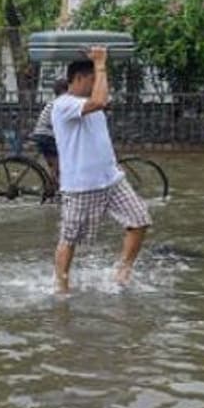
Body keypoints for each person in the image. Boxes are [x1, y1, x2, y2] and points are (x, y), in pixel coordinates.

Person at [52, 47, 151, 293]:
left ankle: (123, 271)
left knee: (140, 220)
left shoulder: (91, 105)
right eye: (93, 79)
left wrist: (114, 165)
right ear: (78, 79)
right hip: (81, 186)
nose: (97, 83)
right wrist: (100, 63)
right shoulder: (63, 104)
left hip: (111, 180)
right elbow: (100, 100)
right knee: (69, 238)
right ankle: (62, 285)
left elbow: (100, 136)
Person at [31, 79, 70, 186]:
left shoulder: (54, 102)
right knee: (60, 164)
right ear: (64, 90)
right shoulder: (61, 103)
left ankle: (52, 186)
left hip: (42, 134)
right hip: (47, 135)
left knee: (54, 164)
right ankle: (56, 187)